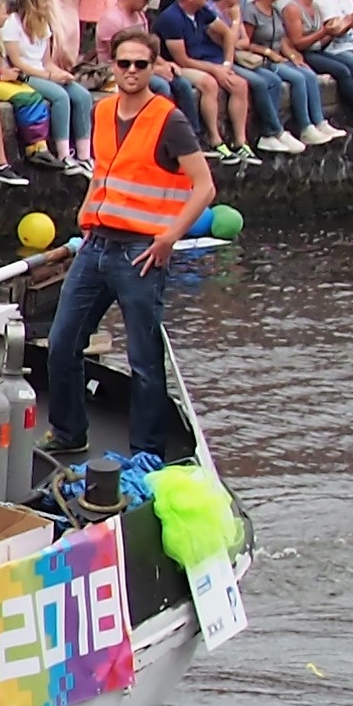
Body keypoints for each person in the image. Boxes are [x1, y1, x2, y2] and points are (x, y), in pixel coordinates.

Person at [45, 29, 216, 465]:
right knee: (63, 342)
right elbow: (103, 171)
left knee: (143, 358)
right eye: (124, 64)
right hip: (98, 243)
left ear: (154, 67)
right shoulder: (103, 112)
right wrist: (86, 218)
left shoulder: (168, 119)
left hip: (141, 249)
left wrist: (168, 238)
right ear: (113, 67)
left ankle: (147, 450)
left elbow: (204, 187)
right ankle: (69, 431)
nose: (132, 72)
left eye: (141, 64)